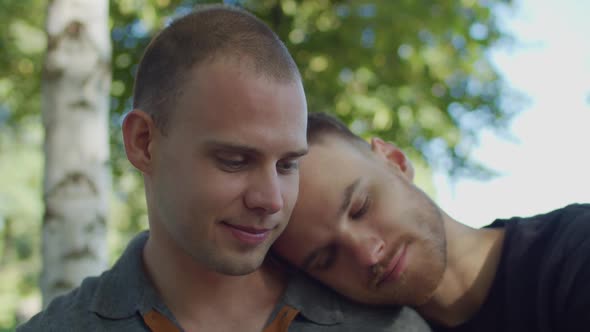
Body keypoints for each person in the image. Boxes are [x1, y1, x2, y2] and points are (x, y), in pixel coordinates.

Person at [18, 5, 431, 332]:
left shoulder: (386, 326)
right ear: (143, 143)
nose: (271, 200)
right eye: (235, 161)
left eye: (288, 164)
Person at [273, 112, 590, 332]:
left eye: (361, 207)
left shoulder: (575, 253)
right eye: (328, 259)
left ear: (395, 160)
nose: (368, 254)